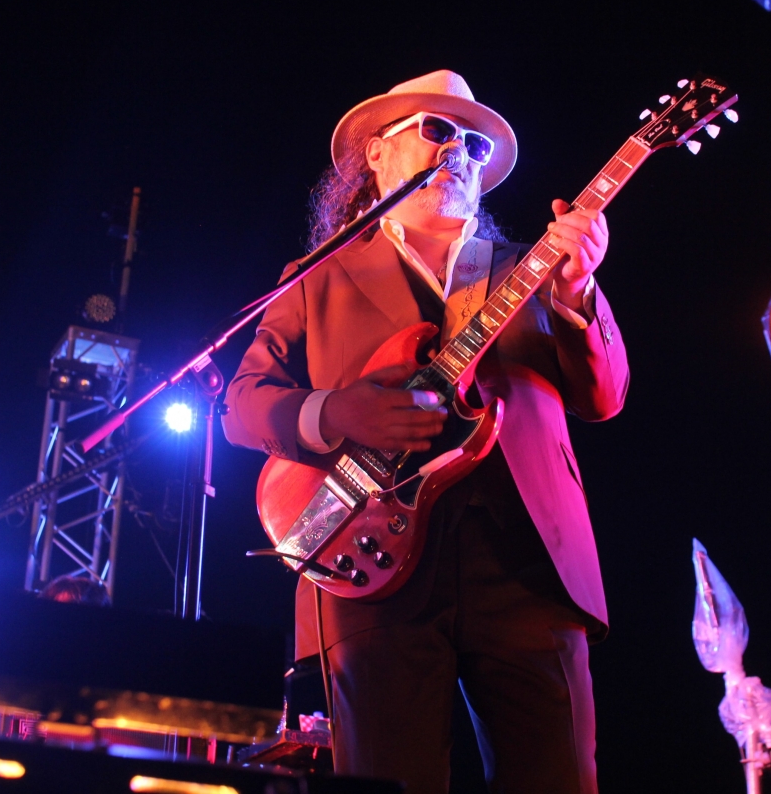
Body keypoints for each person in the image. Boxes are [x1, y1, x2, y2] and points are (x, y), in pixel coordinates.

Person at [222, 70, 628, 794]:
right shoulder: (317, 276)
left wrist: (576, 293)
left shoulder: (535, 269)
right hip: (369, 559)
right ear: (378, 153)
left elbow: (604, 398)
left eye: (475, 144)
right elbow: (244, 405)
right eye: (438, 131)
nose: (459, 151)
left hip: (529, 560)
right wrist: (337, 412)